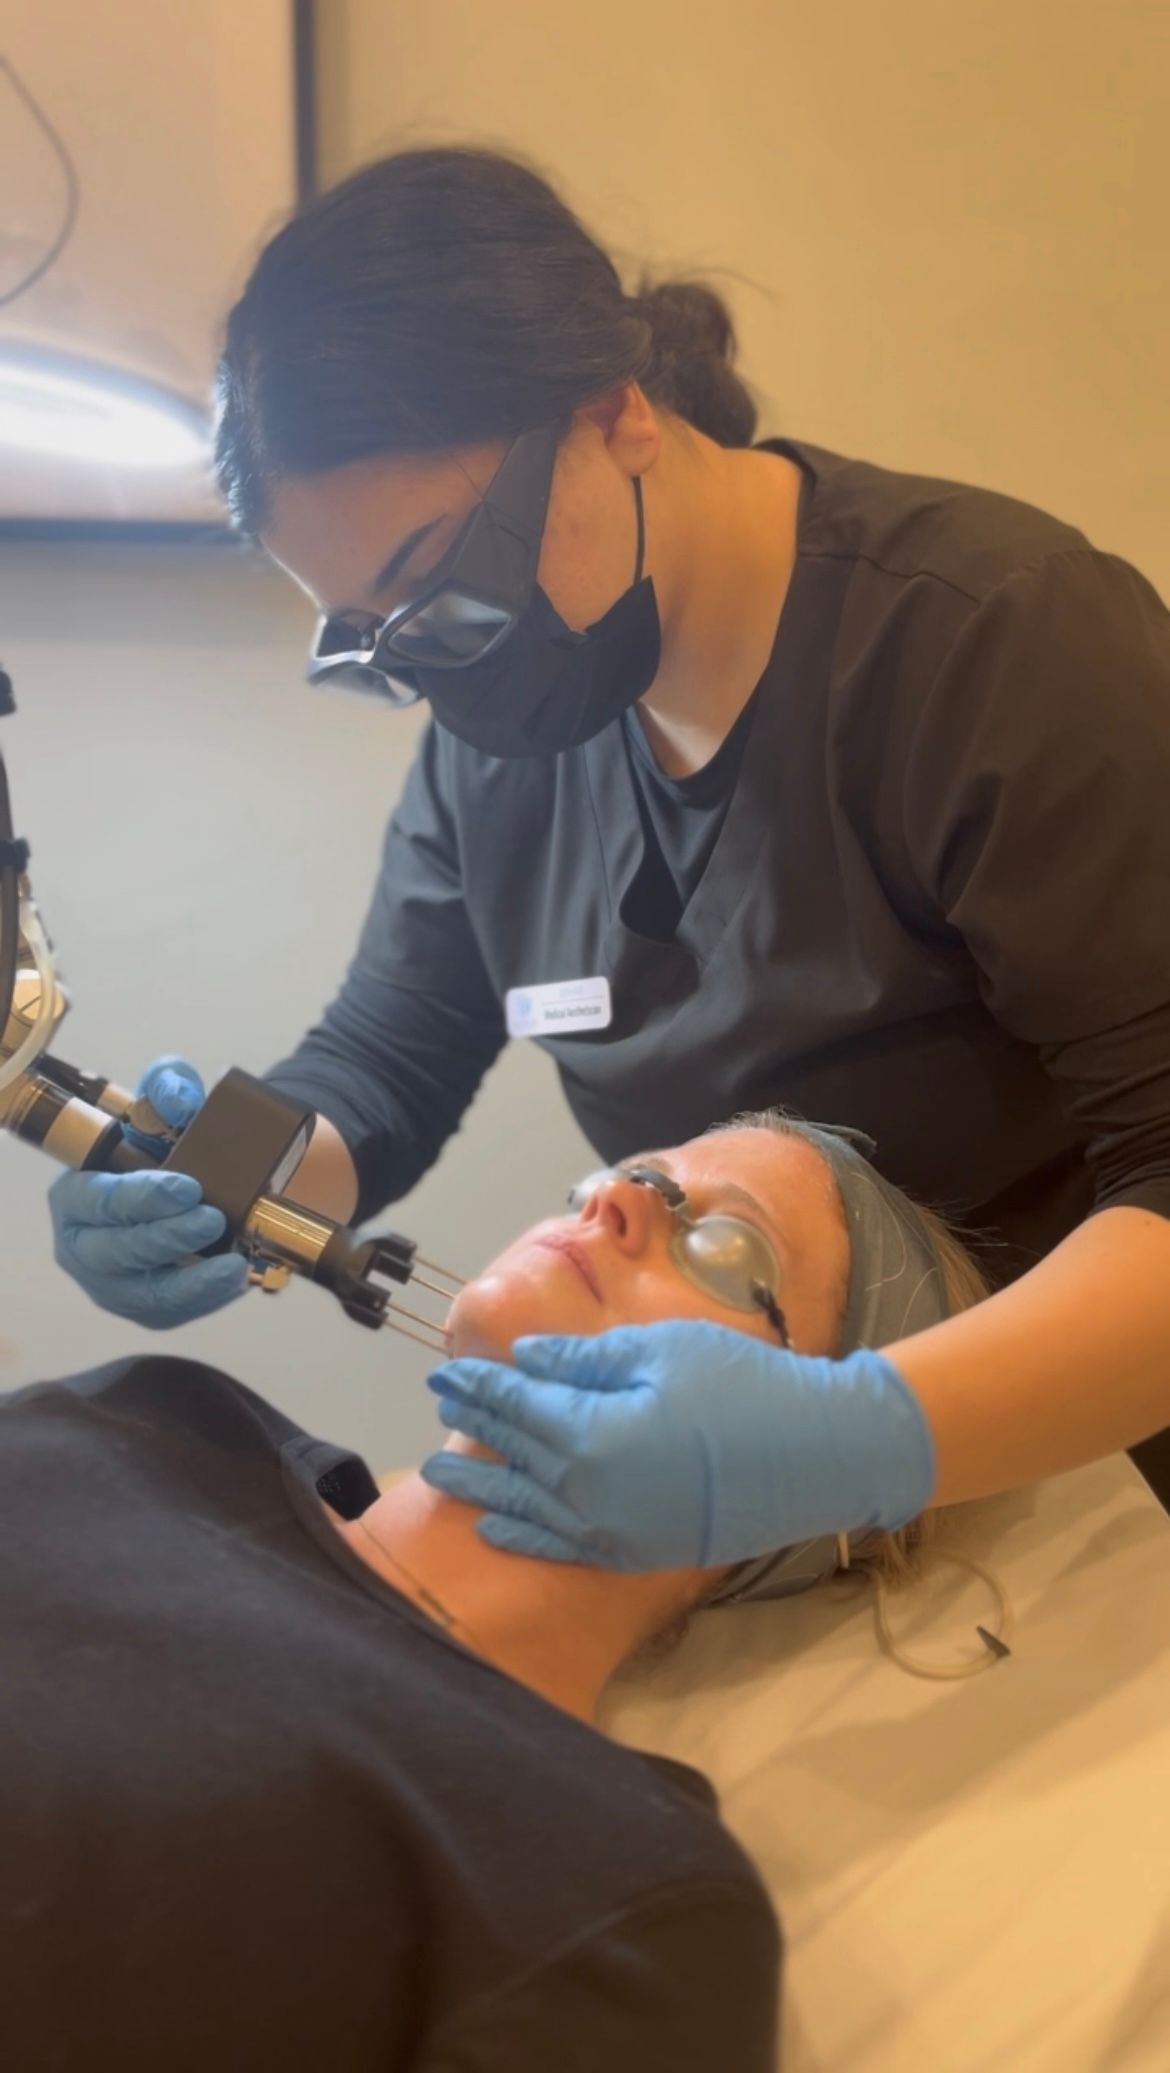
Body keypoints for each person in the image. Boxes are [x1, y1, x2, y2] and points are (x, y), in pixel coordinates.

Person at [47, 143, 1170, 1584]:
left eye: (443, 581)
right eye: (374, 639)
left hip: (1106, 1489)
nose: (441, 676)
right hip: (839, 1538)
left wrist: (858, 1432)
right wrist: (217, 1179)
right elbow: (388, 1057)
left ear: (613, 413)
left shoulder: (992, 644)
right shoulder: (510, 736)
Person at [7, 1119, 983, 2071]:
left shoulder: (614, 1898)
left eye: (728, 1248)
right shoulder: (156, 1417)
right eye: (640, 1172)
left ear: (806, 1476)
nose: (621, 1197)